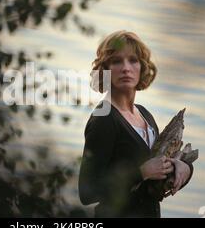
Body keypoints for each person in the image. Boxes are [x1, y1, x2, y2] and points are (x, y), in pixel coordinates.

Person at [78, 30, 194, 217]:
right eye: (117, 61)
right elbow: (87, 192)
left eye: (133, 60)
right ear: (104, 70)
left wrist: (182, 168)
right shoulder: (104, 119)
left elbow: (154, 178)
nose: (126, 68)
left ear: (142, 68)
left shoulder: (145, 115)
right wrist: (141, 172)